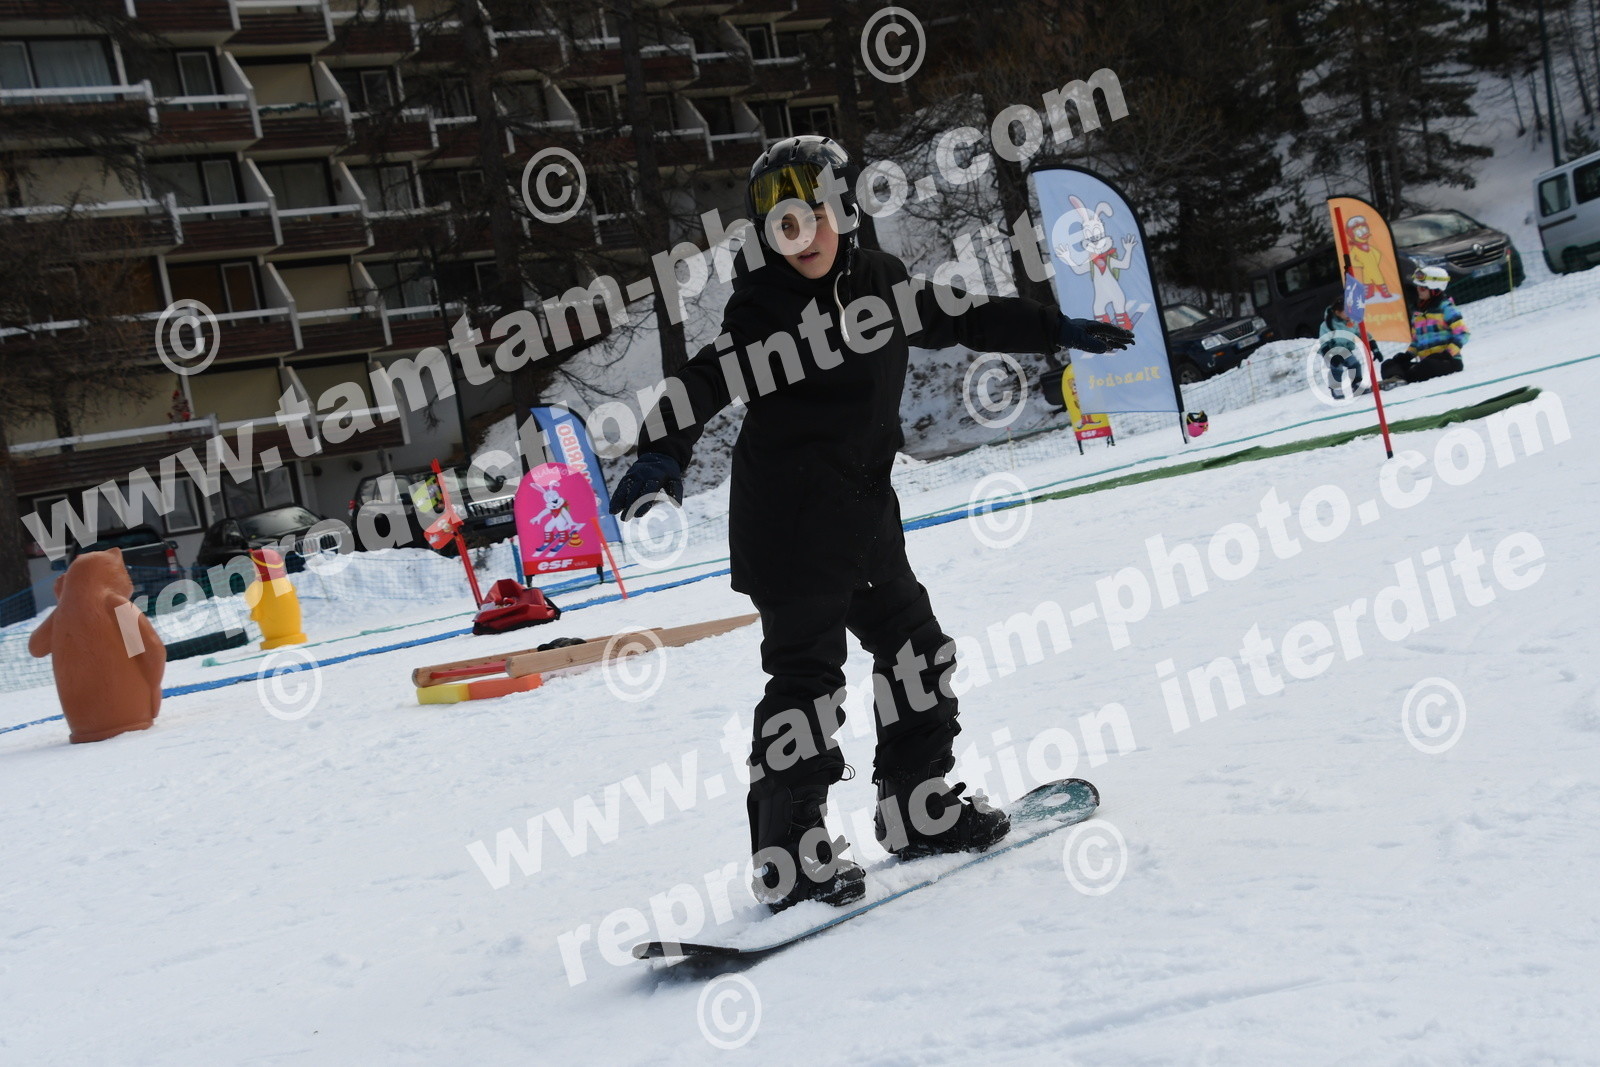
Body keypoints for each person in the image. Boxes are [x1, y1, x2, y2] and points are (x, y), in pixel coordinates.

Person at [607, 135, 1134, 913]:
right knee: (807, 683)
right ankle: (789, 857)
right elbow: (705, 379)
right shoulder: (764, 311)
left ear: (845, 212)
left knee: (918, 651)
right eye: (786, 225)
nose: (806, 236)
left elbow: (965, 315)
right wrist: (662, 451)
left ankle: (917, 807)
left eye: (817, 215)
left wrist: (1055, 327)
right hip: (791, 526)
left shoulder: (878, 284)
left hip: (862, 517)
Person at [1380, 266, 1469, 386]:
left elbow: (1463, 333)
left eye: (1422, 288)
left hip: (1448, 361)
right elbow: (1417, 341)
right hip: (1425, 362)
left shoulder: (1446, 308)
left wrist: (1447, 354)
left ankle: (1403, 377)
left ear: (1435, 289)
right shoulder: (1418, 313)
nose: (1418, 290)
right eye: (1417, 287)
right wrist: (1408, 355)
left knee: (1427, 366)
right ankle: (1396, 378)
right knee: (1388, 364)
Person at [1318, 304, 1367, 399]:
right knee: (1337, 368)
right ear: (1337, 312)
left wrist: (1371, 343)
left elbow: (1359, 332)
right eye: (1346, 312)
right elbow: (1323, 342)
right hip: (1330, 351)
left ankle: (1357, 384)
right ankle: (1336, 389)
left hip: (1344, 350)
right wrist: (1330, 355)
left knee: (1354, 364)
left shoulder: (1350, 322)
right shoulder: (1326, 325)